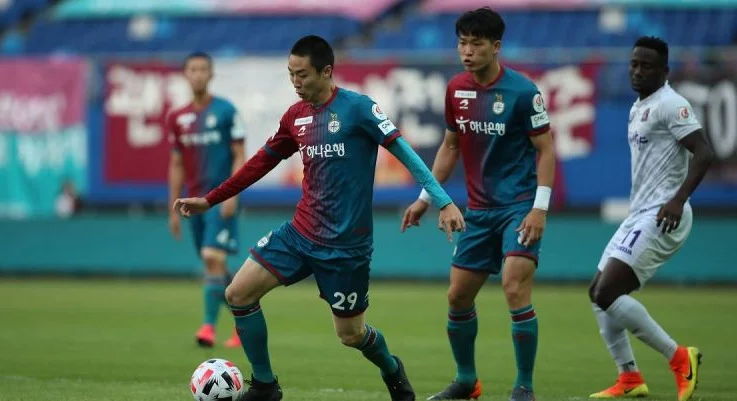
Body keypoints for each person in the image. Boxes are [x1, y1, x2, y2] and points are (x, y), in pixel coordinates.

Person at [174, 35, 465, 401]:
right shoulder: (295, 117)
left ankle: (392, 369)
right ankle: (265, 385)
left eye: (303, 74)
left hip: (346, 247)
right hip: (300, 233)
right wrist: (211, 199)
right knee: (238, 293)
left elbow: (407, 154)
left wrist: (443, 201)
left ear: (326, 72)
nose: (296, 82)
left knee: (351, 335)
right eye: (290, 74)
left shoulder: (359, 109)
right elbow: (259, 163)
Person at [400, 8, 556, 401]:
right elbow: (450, 147)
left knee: (513, 286)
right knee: (457, 297)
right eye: (462, 43)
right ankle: (467, 381)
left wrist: (539, 209)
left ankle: (524, 386)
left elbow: (546, 149)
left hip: (519, 207)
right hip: (478, 211)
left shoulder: (523, 92)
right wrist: (425, 198)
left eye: (476, 43)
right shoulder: (456, 89)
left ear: (496, 46)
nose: (467, 51)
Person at [587, 36, 713, 401]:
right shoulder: (639, 106)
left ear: (664, 71)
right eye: (634, 64)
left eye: (646, 66)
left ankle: (680, 358)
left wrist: (678, 199)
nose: (638, 71)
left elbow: (704, 152)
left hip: (664, 214)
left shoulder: (671, 104)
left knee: (608, 292)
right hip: (640, 213)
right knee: (597, 293)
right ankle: (629, 377)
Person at [166, 52, 243, 349]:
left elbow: (239, 155)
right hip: (192, 203)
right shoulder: (177, 118)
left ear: (211, 74)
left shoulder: (226, 111)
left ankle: (208, 327)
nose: (198, 74)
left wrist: (233, 194)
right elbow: (176, 164)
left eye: (202, 69)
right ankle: (245, 316)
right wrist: (173, 208)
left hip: (219, 198)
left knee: (212, 257)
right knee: (215, 266)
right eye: (193, 69)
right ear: (186, 74)